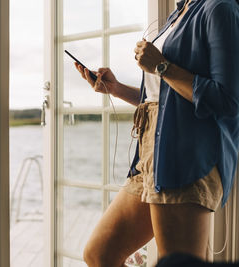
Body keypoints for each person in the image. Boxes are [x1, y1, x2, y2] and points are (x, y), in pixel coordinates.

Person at [74, 0, 239, 266]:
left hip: (186, 157)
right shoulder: (179, 12)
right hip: (152, 155)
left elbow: (228, 101)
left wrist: (162, 66)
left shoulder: (219, 8)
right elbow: (162, 99)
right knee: (99, 254)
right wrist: (115, 89)